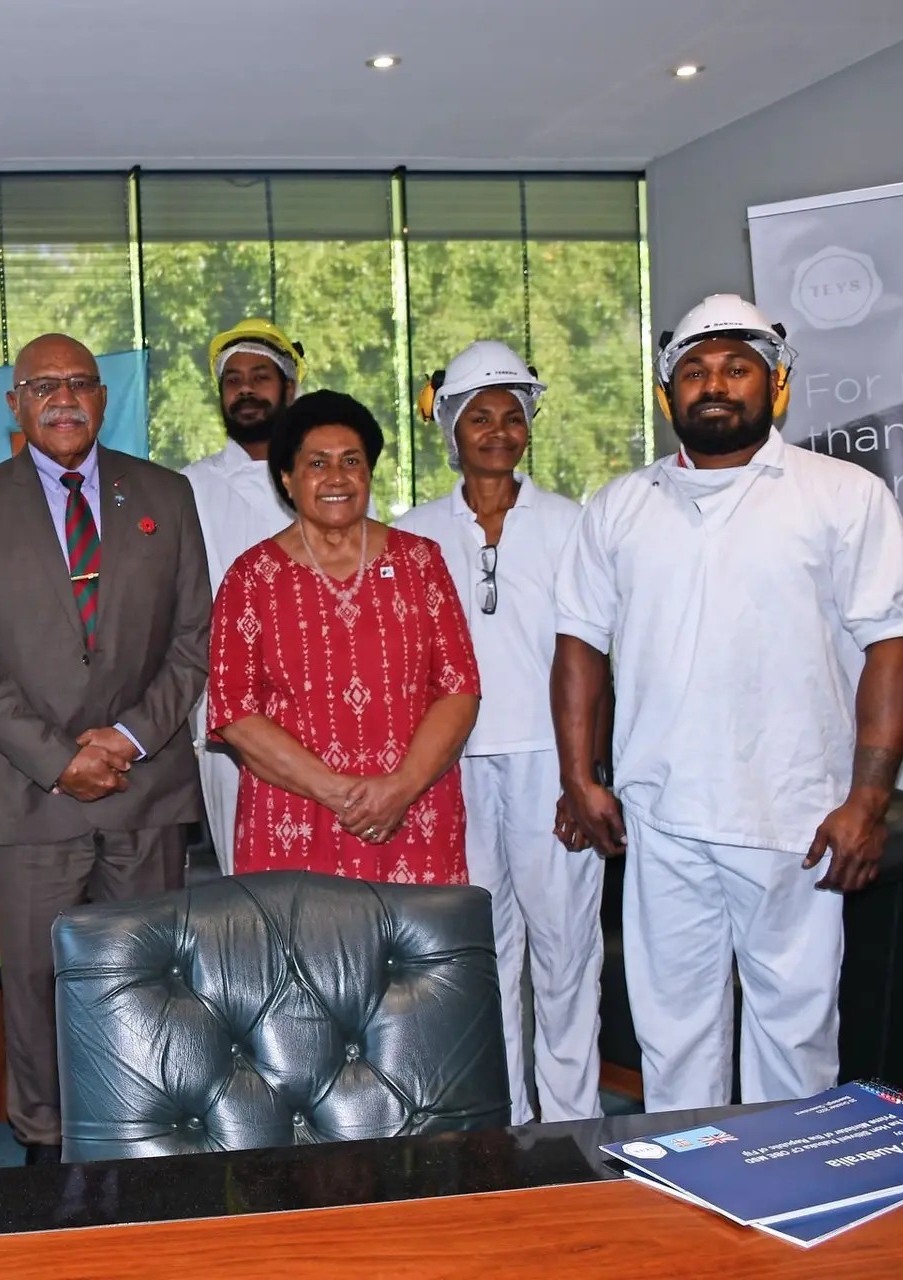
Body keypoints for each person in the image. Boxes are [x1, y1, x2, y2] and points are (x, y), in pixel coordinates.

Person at [554, 294, 903, 1110]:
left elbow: (894, 645)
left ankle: (782, 1208)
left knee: (793, 1041)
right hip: (662, 821)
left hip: (793, 821)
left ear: (776, 384)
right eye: (694, 371)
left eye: (736, 368)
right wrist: (579, 778)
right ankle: (690, 1214)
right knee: (671, 1038)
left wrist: (868, 800)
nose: (714, 385)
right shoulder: (621, 507)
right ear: (668, 394)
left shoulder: (842, 495)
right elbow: (579, 644)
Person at [0, 334, 210, 1165]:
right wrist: (61, 759)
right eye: (43, 385)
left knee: (148, 981)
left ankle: (146, 1139)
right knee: (38, 988)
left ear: (101, 397)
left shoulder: (166, 494)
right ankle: (45, 1148)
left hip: (145, 787)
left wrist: (124, 739)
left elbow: (193, 638)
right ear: (15, 404)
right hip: (34, 797)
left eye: (79, 384)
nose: (63, 398)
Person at [394, 342, 601, 1125]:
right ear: (449, 428)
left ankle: (575, 1125)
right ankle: (504, 1126)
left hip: (553, 766)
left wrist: (587, 776)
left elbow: (595, 659)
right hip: (452, 769)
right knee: (483, 954)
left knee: (566, 952)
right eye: (478, 416)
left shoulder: (573, 525)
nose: (497, 431)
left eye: (511, 416)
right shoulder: (411, 535)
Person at [208, 391, 480, 883]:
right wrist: (340, 794)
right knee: (300, 956)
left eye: (351, 461)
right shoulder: (250, 578)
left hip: (412, 813)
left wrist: (400, 788)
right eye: (317, 463)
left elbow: (459, 688)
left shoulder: (421, 563)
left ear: (368, 474)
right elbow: (235, 714)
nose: (336, 477)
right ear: (287, 480)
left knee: (421, 955)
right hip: (292, 820)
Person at [183, 320, 303, 874]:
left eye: (261, 376)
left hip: (322, 706)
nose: (247, 389)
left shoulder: (321, 477)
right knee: (247, 874)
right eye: (233, 380)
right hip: (229, 713)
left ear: (289, 388)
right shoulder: (187, 488)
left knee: (326, 876)